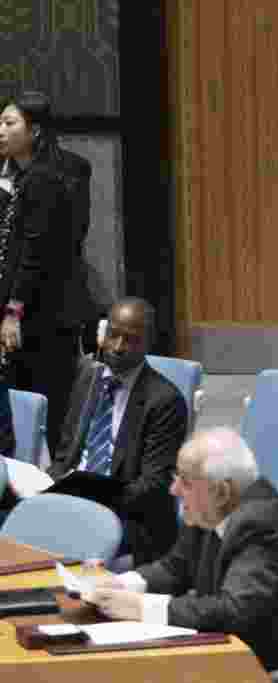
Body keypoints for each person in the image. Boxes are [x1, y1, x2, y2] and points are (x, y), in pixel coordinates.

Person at [88, 427, 278, 672]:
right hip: (241, 655)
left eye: (186, 483)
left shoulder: (263, 524)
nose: (174, 490)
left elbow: (234, 612)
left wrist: (142, 607)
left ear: (222, 491)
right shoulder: (210, 508)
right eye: (176, 478)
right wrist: (121, 585)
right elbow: (175, 569)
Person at [45, 297, 187, 565]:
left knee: (64, 544)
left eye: (131, 339)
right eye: (113, 335)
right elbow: (65, 457)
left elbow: (153, 485)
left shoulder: (165, 400)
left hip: (129, 517)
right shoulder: (88, 377)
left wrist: (93, 502)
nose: (118, 347)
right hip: (74, 501)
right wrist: (46, 485)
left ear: (148, 344)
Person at [0, 91, 89, 452]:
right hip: (31, 313)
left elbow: (32, 254)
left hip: (43, 317)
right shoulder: (23, 177)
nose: (0, 131)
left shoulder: (43, 179)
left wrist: (12, 312)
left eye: (9, 123)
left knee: (47, 410)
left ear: (34, 130)